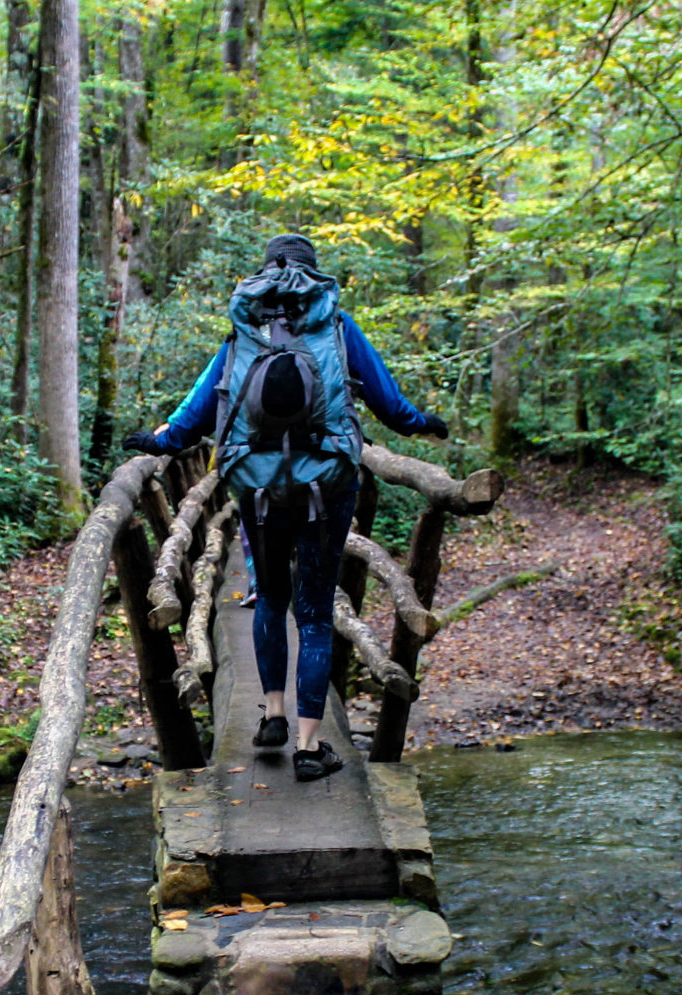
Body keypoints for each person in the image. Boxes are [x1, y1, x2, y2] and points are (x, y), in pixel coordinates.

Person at [123, 234, 448, 781]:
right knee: (317, 615)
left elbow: (199, 410)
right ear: (314, 276)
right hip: (327, 484)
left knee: (271, 598)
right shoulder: (336, 329)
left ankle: (271, 714)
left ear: (265, 277)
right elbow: (390, 404)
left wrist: (160, 441)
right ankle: (307, 746)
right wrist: (425, 424)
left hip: (256, 485)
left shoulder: (245, 333)